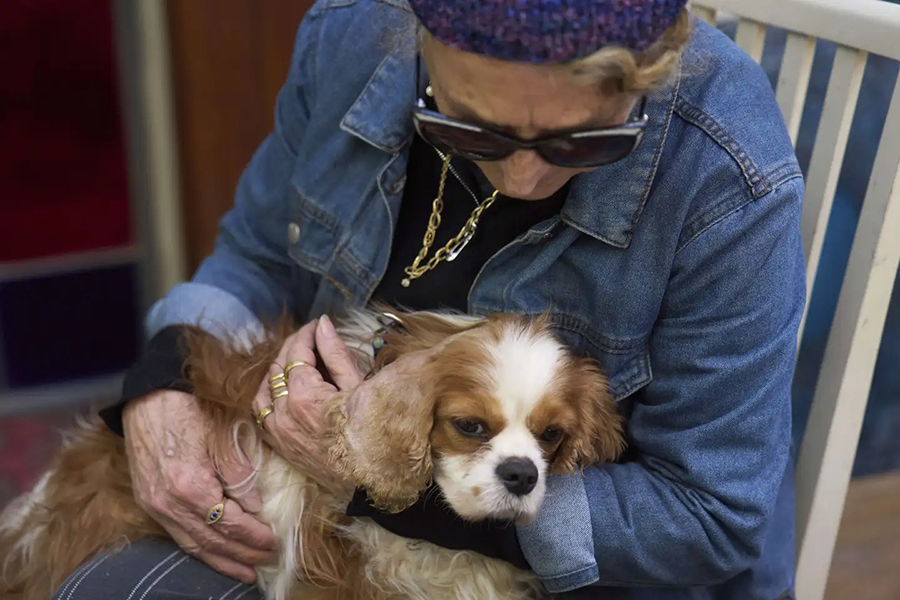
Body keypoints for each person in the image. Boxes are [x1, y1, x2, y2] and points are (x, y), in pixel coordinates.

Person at [55, 0, 805, 598]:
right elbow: (254, 259)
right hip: (317, 532)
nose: (521, 178)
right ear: (415, 32)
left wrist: (389, 485)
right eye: (471, 129)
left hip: (559, 577)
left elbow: (713, 515)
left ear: (649, 73)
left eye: (580, 143)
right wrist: (161, 383)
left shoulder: (729, 174)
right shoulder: (352, 35)